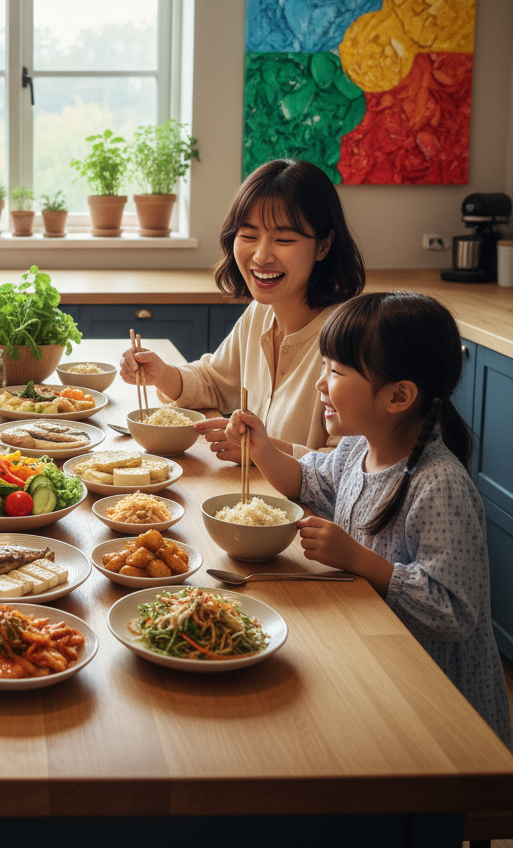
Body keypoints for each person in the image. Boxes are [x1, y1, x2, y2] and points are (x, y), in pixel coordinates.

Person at [225, 292, 511, 747]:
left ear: (398, 396)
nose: (321, 384)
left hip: (435, 701)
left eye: (335, 372)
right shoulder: (357, 447)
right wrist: (262, 448)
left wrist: (356, 558)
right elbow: (306, 483)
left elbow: (452, 611)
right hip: (378, 651)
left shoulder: (439, 485)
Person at [120, 159, 365, 460]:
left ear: (324, 245)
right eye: (248, 236)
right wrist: (163, 375)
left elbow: (351, 466)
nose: (261, 256)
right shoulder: (260, 314)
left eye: (284, 239)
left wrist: (262, 450)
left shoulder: (350, 342)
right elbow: (215, 381)